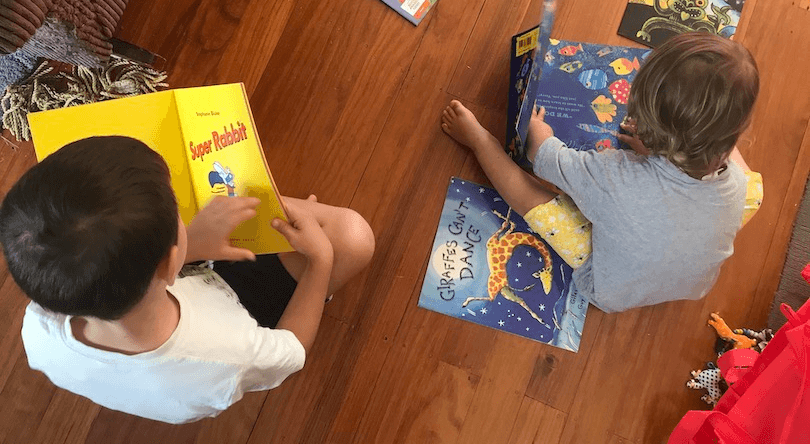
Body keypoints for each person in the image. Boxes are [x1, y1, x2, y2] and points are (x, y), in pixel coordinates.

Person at [0, 135, 374, 423]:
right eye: (175, 207)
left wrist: (188, 247)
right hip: (237, 306)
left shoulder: (40, 327)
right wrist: (320, 263)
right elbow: (293, 349)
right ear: (168, 263)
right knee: (353, 237)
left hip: (176, 280)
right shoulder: (228, 353)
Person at [441, 33, 763, 313]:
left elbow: (544, 157)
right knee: (753, 191)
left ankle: (479, 141)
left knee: (536, 201)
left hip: (612, 290)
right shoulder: (735, 183)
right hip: (691, 284)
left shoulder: (614, 175)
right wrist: (659, 145)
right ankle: (694, 137)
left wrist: (540, 133)